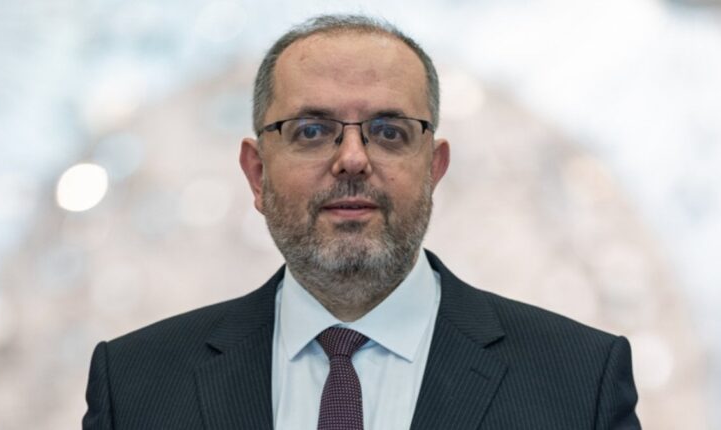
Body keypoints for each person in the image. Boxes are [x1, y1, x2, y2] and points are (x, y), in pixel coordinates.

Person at [83, 14, 641, 430]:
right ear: (257, 173)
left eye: (389, 131)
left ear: (434, 169)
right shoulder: (134, 385)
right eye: (311, 131)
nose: (352, 159)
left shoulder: (580, 382)